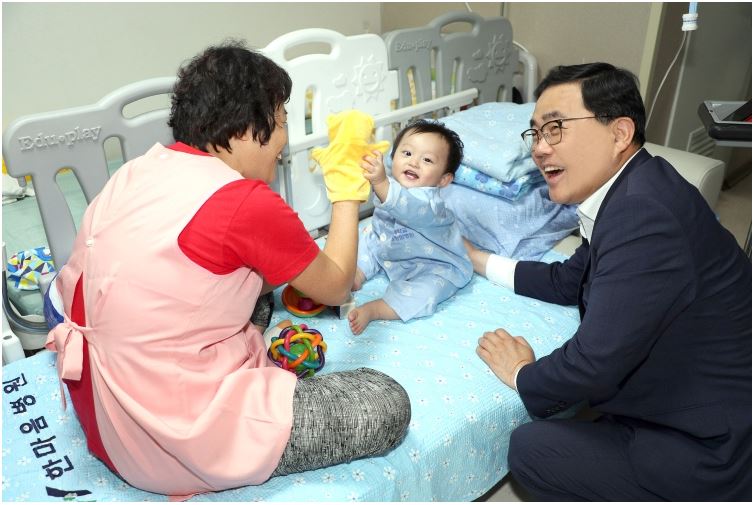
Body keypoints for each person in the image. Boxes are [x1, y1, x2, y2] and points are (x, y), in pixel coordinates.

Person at [43, 40, 410, 498]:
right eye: (280, 122)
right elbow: (336, 286)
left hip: (100, 403)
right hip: (162, 439)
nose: (283, 141)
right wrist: (346, 189)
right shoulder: (245, 203)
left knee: (257, 286)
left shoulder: (139, 169)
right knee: (386, 402)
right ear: (243, 130)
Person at [467, 63, 751, 500]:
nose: (540, 148)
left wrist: (522, 373)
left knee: (532, 450)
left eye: (555, 128)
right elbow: (568, 280)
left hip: (710, 448)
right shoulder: (635, 187)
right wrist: (478, 259)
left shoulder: (642, 215)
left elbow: (593, 363)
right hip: (706, 401)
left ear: (619, 133)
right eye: (535, 133)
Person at [348, 120, 473, 335]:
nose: (414, 162)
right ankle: (358, 273)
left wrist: (380, 182)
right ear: (393, 157)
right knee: (366, 237)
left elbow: (406, 206)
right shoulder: (391, 186)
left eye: (427, 160)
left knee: (427, 293)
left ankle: (377, 309)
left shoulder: (431, 203)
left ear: (443, 179)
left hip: (433, 266)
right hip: (390, 249)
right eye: (407, 153)